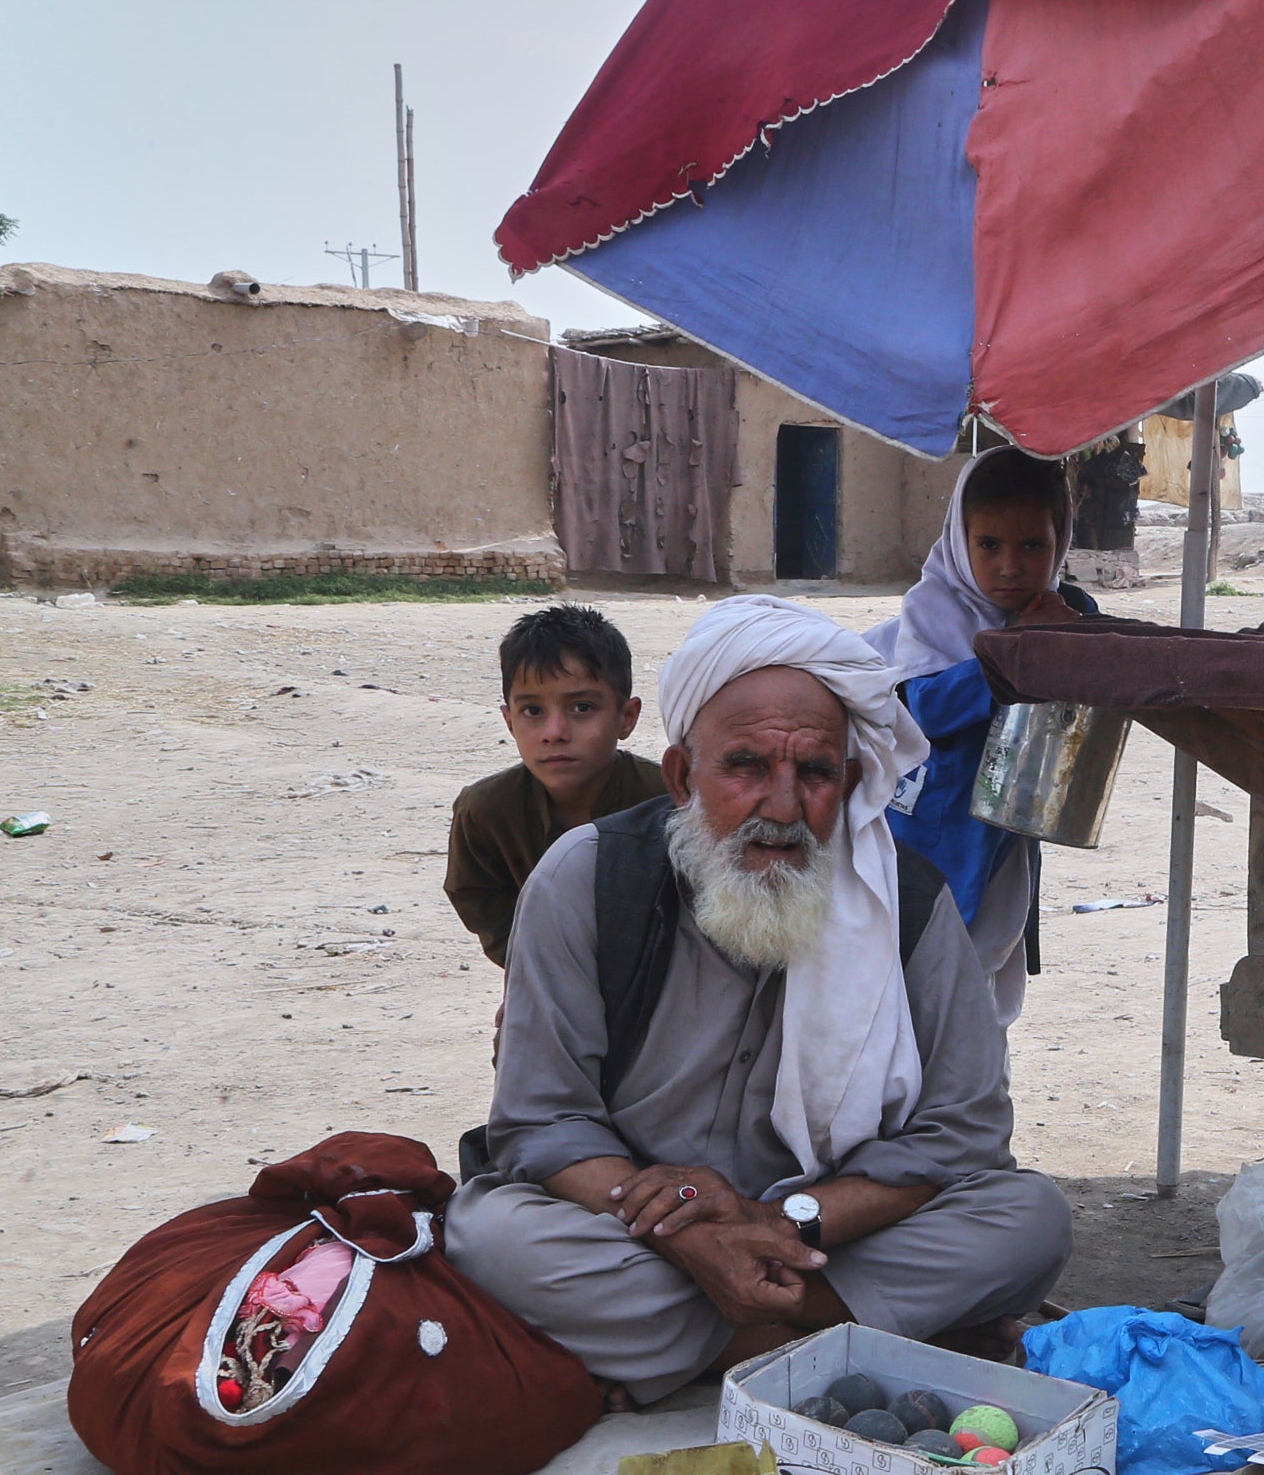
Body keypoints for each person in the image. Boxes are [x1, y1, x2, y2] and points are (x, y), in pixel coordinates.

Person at [447, 595, 1072, 1405]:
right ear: (681, 775)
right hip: (636, 1220)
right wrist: (689, 1233)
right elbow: (541, 1117)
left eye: (813, 772)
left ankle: (721, 1339)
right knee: (493, 1234)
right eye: (745, 766)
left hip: (821, 1227)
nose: (781, 806)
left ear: (848, 783)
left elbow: (963, 1130)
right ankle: (814, 1336)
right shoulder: (587, 878)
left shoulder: (908, 904)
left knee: (1028, 1218)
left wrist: (776, 1221)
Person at [862, 448, 1096, 1030]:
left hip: (1009, 824)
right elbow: (926, 709)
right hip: (931, 824)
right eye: (988, 545)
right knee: (921, 969)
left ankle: (978, 1096)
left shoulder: (1068, 611)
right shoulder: (933, 611)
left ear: (1060, 540)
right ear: (960, 539)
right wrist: (1018, 653)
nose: (1009, 567)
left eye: (1032, 546)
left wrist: (1071, 635)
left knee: (990, 975)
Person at [445, 605, 667, 967]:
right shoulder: (486, 811)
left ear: (627, 718)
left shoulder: (668, 802)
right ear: (509, 720)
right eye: (532, 711)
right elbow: (478, 899)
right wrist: (530, 970)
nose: (555, 733)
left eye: (581, 707)